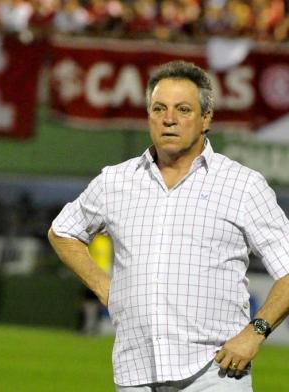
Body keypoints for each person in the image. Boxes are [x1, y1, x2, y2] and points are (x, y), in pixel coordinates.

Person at [48, 60, 289, 391]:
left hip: (215, 373)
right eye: (158, 108)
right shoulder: (115, 181)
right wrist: (107, 289)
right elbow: (63, 232)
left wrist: (256, 331)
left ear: (206, 119)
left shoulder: (243, 185)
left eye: (183, 109)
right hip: (136, 372)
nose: (169, 119)